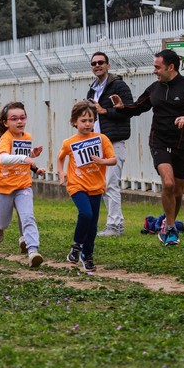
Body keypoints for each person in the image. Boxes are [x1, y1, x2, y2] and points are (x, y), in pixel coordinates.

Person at [111, 49, 184, 246]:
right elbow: (139, 107)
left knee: (177, 190)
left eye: (158, 67)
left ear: (170, 67)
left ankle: (168, 222)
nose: (154, 70)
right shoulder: (154, 88)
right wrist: (123, 107)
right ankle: (171, 229)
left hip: (183, 144)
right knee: (167, 183)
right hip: (159, 142)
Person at [57, 101, 116, 272]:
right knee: (86, 213)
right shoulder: (69, 142)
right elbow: (60, 158)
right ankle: (76, 246)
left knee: (93, 225)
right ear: (75, 121)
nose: (87, 124)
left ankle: (87, 255)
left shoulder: (101, 139)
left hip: (96, 187)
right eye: (83, 120)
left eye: (91, 120)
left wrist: (102, 161)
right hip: (77, 185)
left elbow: (113, 159)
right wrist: (62, 173)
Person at [0, 102, 45, 267]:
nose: (19, 121)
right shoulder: (5, 139)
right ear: (6, 123)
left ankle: (33, 251)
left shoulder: (27, 137)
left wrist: (34, 164)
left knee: (28, 217)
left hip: (23, 185)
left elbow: (23, 157)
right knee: (4, 222)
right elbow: (4, 158)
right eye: (14, 119)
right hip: (3, 188)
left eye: (22, 117)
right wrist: (25, 158)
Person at [86, 51, 133, 237]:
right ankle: (113, 223)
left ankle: (116, 226)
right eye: (94, 63)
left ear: (108, 65)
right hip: (97, 142)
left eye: (101, 62)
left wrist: (105, 111)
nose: (97, 65)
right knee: (102, 185)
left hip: (113, 142)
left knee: (110, 184)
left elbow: (129, 110)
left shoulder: (118, 86)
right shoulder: (92, 89)